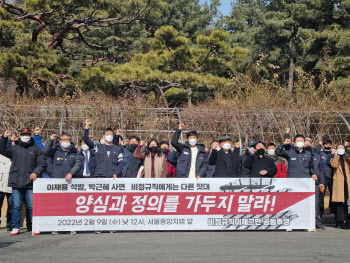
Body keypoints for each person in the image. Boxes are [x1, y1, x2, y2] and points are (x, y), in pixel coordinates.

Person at [0, 128, 46, 236]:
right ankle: (16, 227)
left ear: (30, 135)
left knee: (32, 206)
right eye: (23, 134)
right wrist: (4, 137)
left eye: (27, 134)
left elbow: (42, 163)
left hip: (30, 182)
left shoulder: (36, 148)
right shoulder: (14, 148)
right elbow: (2, 150)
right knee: (16, 205)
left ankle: (35, 226)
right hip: (16, 181)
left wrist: (36, 172)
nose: (25, 135)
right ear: (20, 135)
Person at [276, 134, 320, 231]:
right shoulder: (289, 152)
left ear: (304, 143)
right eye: (298, 141)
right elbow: (277, 152)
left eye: (302, 140)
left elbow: (311, 167)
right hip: (292, 181)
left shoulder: (308, 154)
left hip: (304, 182)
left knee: (304, 204)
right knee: (292, 203)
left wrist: (313, 174)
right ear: (294, 143)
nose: (300, 142)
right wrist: (283, 143)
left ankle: (306, 225)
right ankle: (290, 225)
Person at [305, 136, 325, 230]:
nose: (307, 143)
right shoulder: (299, 153)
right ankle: (303, 222)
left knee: (316, 203)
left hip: (315, 183)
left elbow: (321, 170)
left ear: (312, 143)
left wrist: (322, 182)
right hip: (303, 182)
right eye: (305, 141)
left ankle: (317, 221)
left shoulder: (317, 155)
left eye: (309, 141)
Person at [330, 144, 350, 229]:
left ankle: (347, 221)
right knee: (340, 203)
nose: (341, 149)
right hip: (339, 183)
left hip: (347, 183)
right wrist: (336, 156)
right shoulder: (333, 158)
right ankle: (339, 222)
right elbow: (334, 165)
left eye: (342, 148)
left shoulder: (347, 159)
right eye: (339, 148)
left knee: (347, 203)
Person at [318, 140, 335, 216]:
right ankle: (320, 214)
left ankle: (333, 212)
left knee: (333, 196)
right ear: (323, 145)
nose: (328, 146)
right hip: (323, 178)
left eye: (329, 144)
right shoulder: (320, 153)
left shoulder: (334, 154)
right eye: (326, 144)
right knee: (321, 195)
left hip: (332, 178)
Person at [0, 152, 13, 231]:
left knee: (12, 205)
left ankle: (10, 223)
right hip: (0, 185)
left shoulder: (15, 154)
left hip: (11, 184)